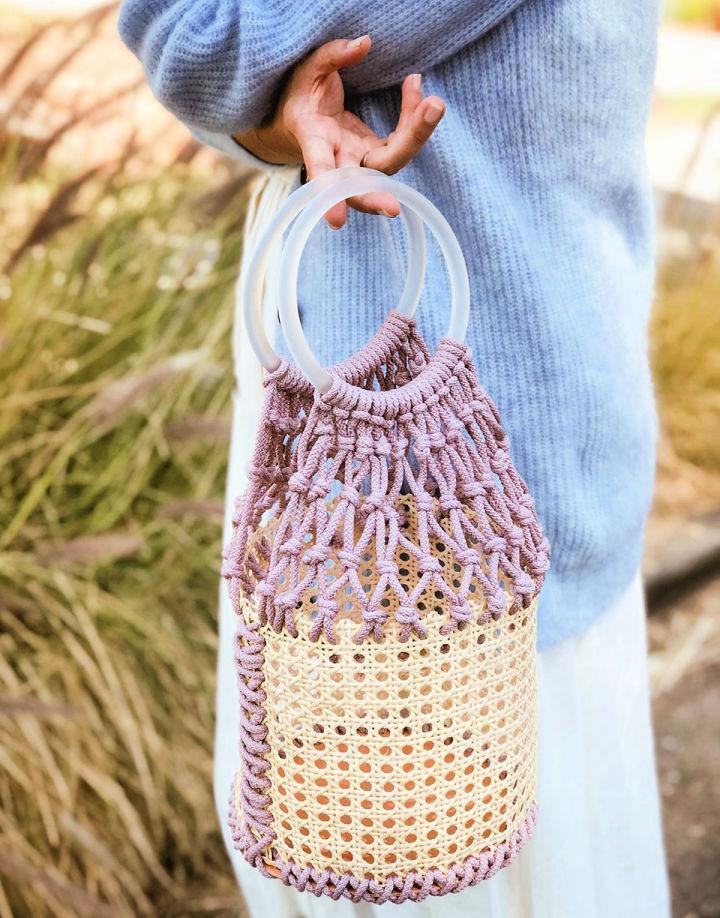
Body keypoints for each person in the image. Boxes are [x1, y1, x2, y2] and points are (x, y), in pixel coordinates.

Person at [118, 3, 670, 916]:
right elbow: (215, 55)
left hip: (488, 457)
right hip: (338, 444)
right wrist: (284, 114)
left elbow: (197, 41)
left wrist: (238, 67)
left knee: (496, 855)